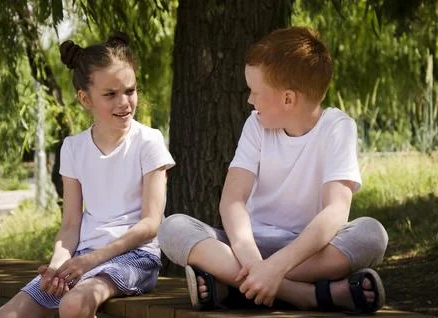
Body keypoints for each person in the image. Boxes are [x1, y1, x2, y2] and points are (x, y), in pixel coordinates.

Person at [158, 26, 388, 314]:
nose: (249, 100)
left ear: (288, 99)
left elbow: (335, 213)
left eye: (255, 92)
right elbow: (232, 200)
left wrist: (277, 267)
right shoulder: (255, 125)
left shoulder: (338, 128)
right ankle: (306, 295)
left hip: (307, 251)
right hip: (247, 247)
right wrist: (255, 262)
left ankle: (234, 285)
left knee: (372, 234)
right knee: (172, 227)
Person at [0, 32, 175, 318]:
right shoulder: (73, 147)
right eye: (110, 94)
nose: (124, 102)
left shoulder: (148, 141)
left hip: (136, 257)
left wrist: (91, 261)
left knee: (74, 304)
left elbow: (151, 224)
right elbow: (69, 226)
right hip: (83, 258)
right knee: (7, 315)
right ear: (84, 98)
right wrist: (57, 266)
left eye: (130, 90)